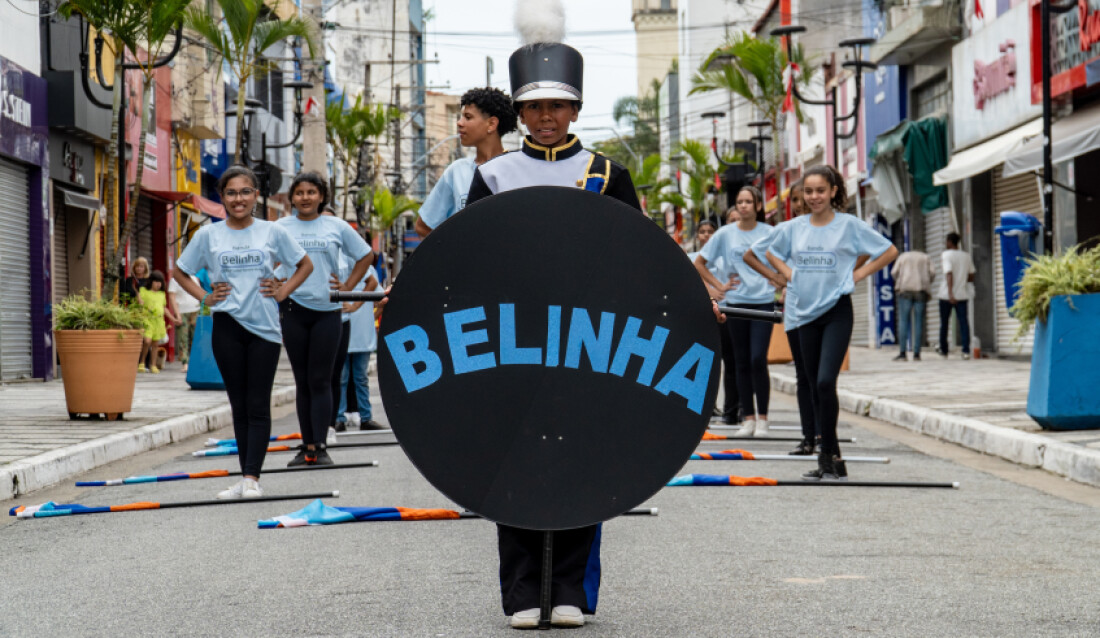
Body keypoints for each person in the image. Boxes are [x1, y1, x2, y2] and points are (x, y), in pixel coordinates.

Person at [172, 165, 313, 499]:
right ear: (221, 197)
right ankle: (246, 477)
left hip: (265, 328)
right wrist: (205, 297)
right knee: (238, 405)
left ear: (255, 196)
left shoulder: (272, 232)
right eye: (231, 193)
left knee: (258, 404)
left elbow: (305, 264)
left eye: (245, 192)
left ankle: (252, 478)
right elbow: (180, 271)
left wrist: (283, 291)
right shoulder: (208, 235)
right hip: (227, 326)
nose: (238, 199)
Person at [763, 165, 898, 480]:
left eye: (820, 191)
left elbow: (888, 250)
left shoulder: (849, 226)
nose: (813, 197)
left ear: (833, 191)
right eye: (808, 192)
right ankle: (833, 456)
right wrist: (788, 274)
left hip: (836, 311)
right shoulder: (794, 228)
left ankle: (827, 453)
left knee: (825, 381)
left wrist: (858, 274)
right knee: (813, 386)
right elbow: (770, 252)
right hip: (805, 314)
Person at [276, 172, 373, 467]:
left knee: (321, 380)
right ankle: (306, 445)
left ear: (322, 196)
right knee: (302, 381)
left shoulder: (336, 226)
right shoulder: (279, 227)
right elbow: (264, 261)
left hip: (329, 313)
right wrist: (275, 285)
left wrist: (348, 288)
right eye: (300, 192)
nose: (305, 197)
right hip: (293, 310)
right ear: (292, 197)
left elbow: (366, 256)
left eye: (312, 192)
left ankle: (320, 445)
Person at [743, 179, 819, 455]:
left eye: (805, 198)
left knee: (822, 377)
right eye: (796, 200)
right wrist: (778, 277)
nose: (801, 205)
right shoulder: (787, 230)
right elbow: (751, 255)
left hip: (827, 310)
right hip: (798, 311)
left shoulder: (829, 228)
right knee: (804, 374)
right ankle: (809, 436)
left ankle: (824, 435)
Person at [696, 186, 777, 436]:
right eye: (739, 201)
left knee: (757, 359)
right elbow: (700, 262)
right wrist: (718, 287)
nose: (743, 206)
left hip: (763, 301)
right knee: (741, 361)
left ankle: (763, 418)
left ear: (758, 206)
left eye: (748, 202)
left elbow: (786, 259)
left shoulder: (770, 232)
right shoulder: (725, 234)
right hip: (736, 303)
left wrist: (779, 280)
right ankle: (748, 419)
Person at [416, 87, 518, 237]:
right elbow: (422, 226)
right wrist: (457, 248)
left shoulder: (517, 169)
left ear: (491, 124)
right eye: (461, 117)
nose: (459, 123)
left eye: (468, 117)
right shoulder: (457, 171)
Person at [687, 218, 740, 425]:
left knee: (730, 361)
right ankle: (703, 405)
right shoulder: (691, 258)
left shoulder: (722, 258)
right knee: (704, 362)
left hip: (725, 314)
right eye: (702, 232)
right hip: (702, 315)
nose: (706, 235)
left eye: (710, 231)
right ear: (697, 236)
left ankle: (731, 408)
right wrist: (714, 290)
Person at [337, 264, 384, 430]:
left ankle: (362, 417)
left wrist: (370, 318)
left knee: (356, 379)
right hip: (345, 332)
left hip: (360, 336)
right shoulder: (338, 266)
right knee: (346, 379)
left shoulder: (367, 269)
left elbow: (382, 299)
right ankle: (341, 417)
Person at [937, 232, 976, 360]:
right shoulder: (966, 256)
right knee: (964, 323)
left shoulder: (946, 255)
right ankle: (965, 350)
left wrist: (950, 294)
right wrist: (963, 282)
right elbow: (971, 275)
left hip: (946, 296)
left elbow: (949, 273)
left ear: (949, 241)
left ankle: (944, 350)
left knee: (944, 323)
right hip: (962, 295)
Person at [891, 249, 935, 361]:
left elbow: (893, 272)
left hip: (905, 291)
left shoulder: (903, 256)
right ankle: (917, 354)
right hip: (921, 291)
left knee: (903, 321)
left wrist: (900, 281)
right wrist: (927, 282)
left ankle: (902, 353)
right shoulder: (925, 257)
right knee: (919, 321)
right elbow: (933, 273)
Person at [137, 271, 180, 374]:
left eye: (160, 282)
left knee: (155, 344)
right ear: (151, 281)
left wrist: (173, 319)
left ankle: (153, 365)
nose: (158, 284)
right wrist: (140, 301)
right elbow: (139, 301)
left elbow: (164, 308)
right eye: (156, 281)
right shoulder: (143, 291)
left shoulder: (162, 294)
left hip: (158, 321)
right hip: (147, 320)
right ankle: (142, 362)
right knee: (147, 341)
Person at [169, 271, 202, 372]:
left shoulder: (194, 278)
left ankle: (194, 362)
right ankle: (185, 363)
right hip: (182, 311)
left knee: (195, 337)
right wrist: (177, 313)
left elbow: (199, 293)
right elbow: (172, 297)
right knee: (183, 338)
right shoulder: (175, 279)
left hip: (195, 311)